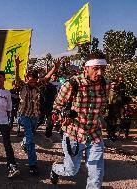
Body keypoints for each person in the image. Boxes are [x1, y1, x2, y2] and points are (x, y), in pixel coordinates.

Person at [50, 52, 110, 189]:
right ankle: (55, 169)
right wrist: (62, 117)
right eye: (96, 68)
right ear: (85, 68)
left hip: (94, 135)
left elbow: (101, 107)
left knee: (96, 175)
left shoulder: (106, 84)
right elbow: (56, 108)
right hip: (73, 135)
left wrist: (102, 118)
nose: (100, 72)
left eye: (103, 68)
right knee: (71, 170)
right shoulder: (71, 84)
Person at [15, 55, 63, 175]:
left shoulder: (38, 85)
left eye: (33, 81)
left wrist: (55, 68)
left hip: (35, 116)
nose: (31, 83)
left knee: (29, 135)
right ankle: (33, 164)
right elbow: (17, 78)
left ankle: (24, 142)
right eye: (29, 81)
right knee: (31, 140)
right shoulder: (22, 85)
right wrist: (17, 66)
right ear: (26, 79)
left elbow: (46, 78)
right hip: (23, 116)